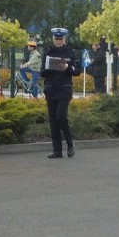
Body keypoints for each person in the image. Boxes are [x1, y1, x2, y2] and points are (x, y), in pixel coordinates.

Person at [40, 27, 79, 158]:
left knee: (60, 117)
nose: (58, 41)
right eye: (56, 39)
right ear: (53, 39)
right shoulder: (48, 52)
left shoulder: (70, 52)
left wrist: (67, 67)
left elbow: (77, 71)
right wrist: (50, 66)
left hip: (64, 88)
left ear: (64, 39)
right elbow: (42, 72)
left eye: (60, 39)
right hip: (51, 89)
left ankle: (70, 143)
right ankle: (57, 151)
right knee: (53, 121)